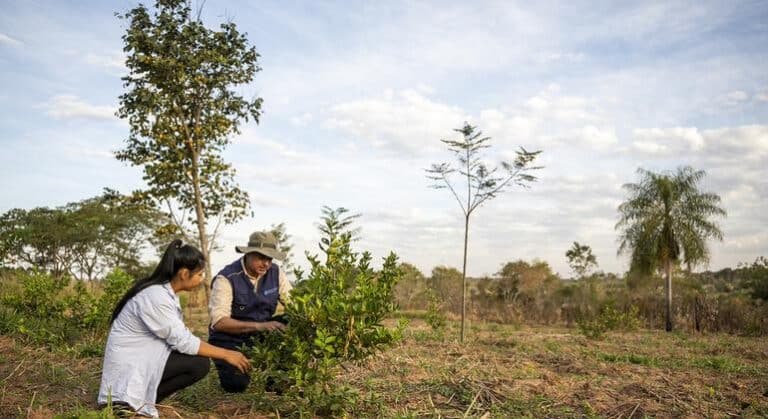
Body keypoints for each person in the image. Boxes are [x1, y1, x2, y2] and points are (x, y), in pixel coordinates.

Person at [97, 240, 251, 418]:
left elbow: (180, 337)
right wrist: (226, 354)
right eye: (199, 274)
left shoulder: (165, 294)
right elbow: (183, 341)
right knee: (198, 364)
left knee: (197, 362)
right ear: (184, 274)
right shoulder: (155, 297)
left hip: (145, 359)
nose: (202, 279)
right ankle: (125, 403)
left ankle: (145, 401)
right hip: (130, 369)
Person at [208, 230, 292, 393]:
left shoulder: (276, 272)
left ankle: (277, 380)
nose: (266, 264)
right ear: (248, 254)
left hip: (261, 334)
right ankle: (233, 366)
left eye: (269, 259)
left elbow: (295, 305)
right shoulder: (226, 278)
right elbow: (219, 322)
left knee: (292, 320)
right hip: (230, 339)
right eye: (261, 257)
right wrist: (260, 326)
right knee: (236, 385)